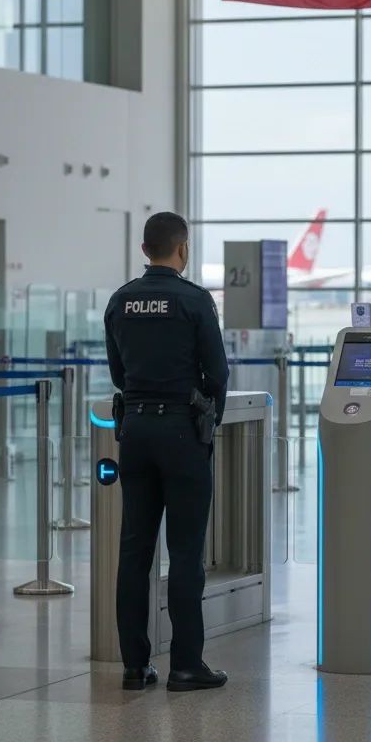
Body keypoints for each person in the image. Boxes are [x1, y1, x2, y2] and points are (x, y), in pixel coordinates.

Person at [104, 212, 230, 692]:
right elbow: (217, 373)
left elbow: (118, 372)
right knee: (185, 553)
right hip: (182, 432)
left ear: (144, 249)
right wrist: (206, 420)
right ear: (182, 250)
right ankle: (185, 665)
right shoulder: (195, 300)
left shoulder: (120, 300)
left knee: (134, 551)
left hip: (134, 429)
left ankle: (134, 667)